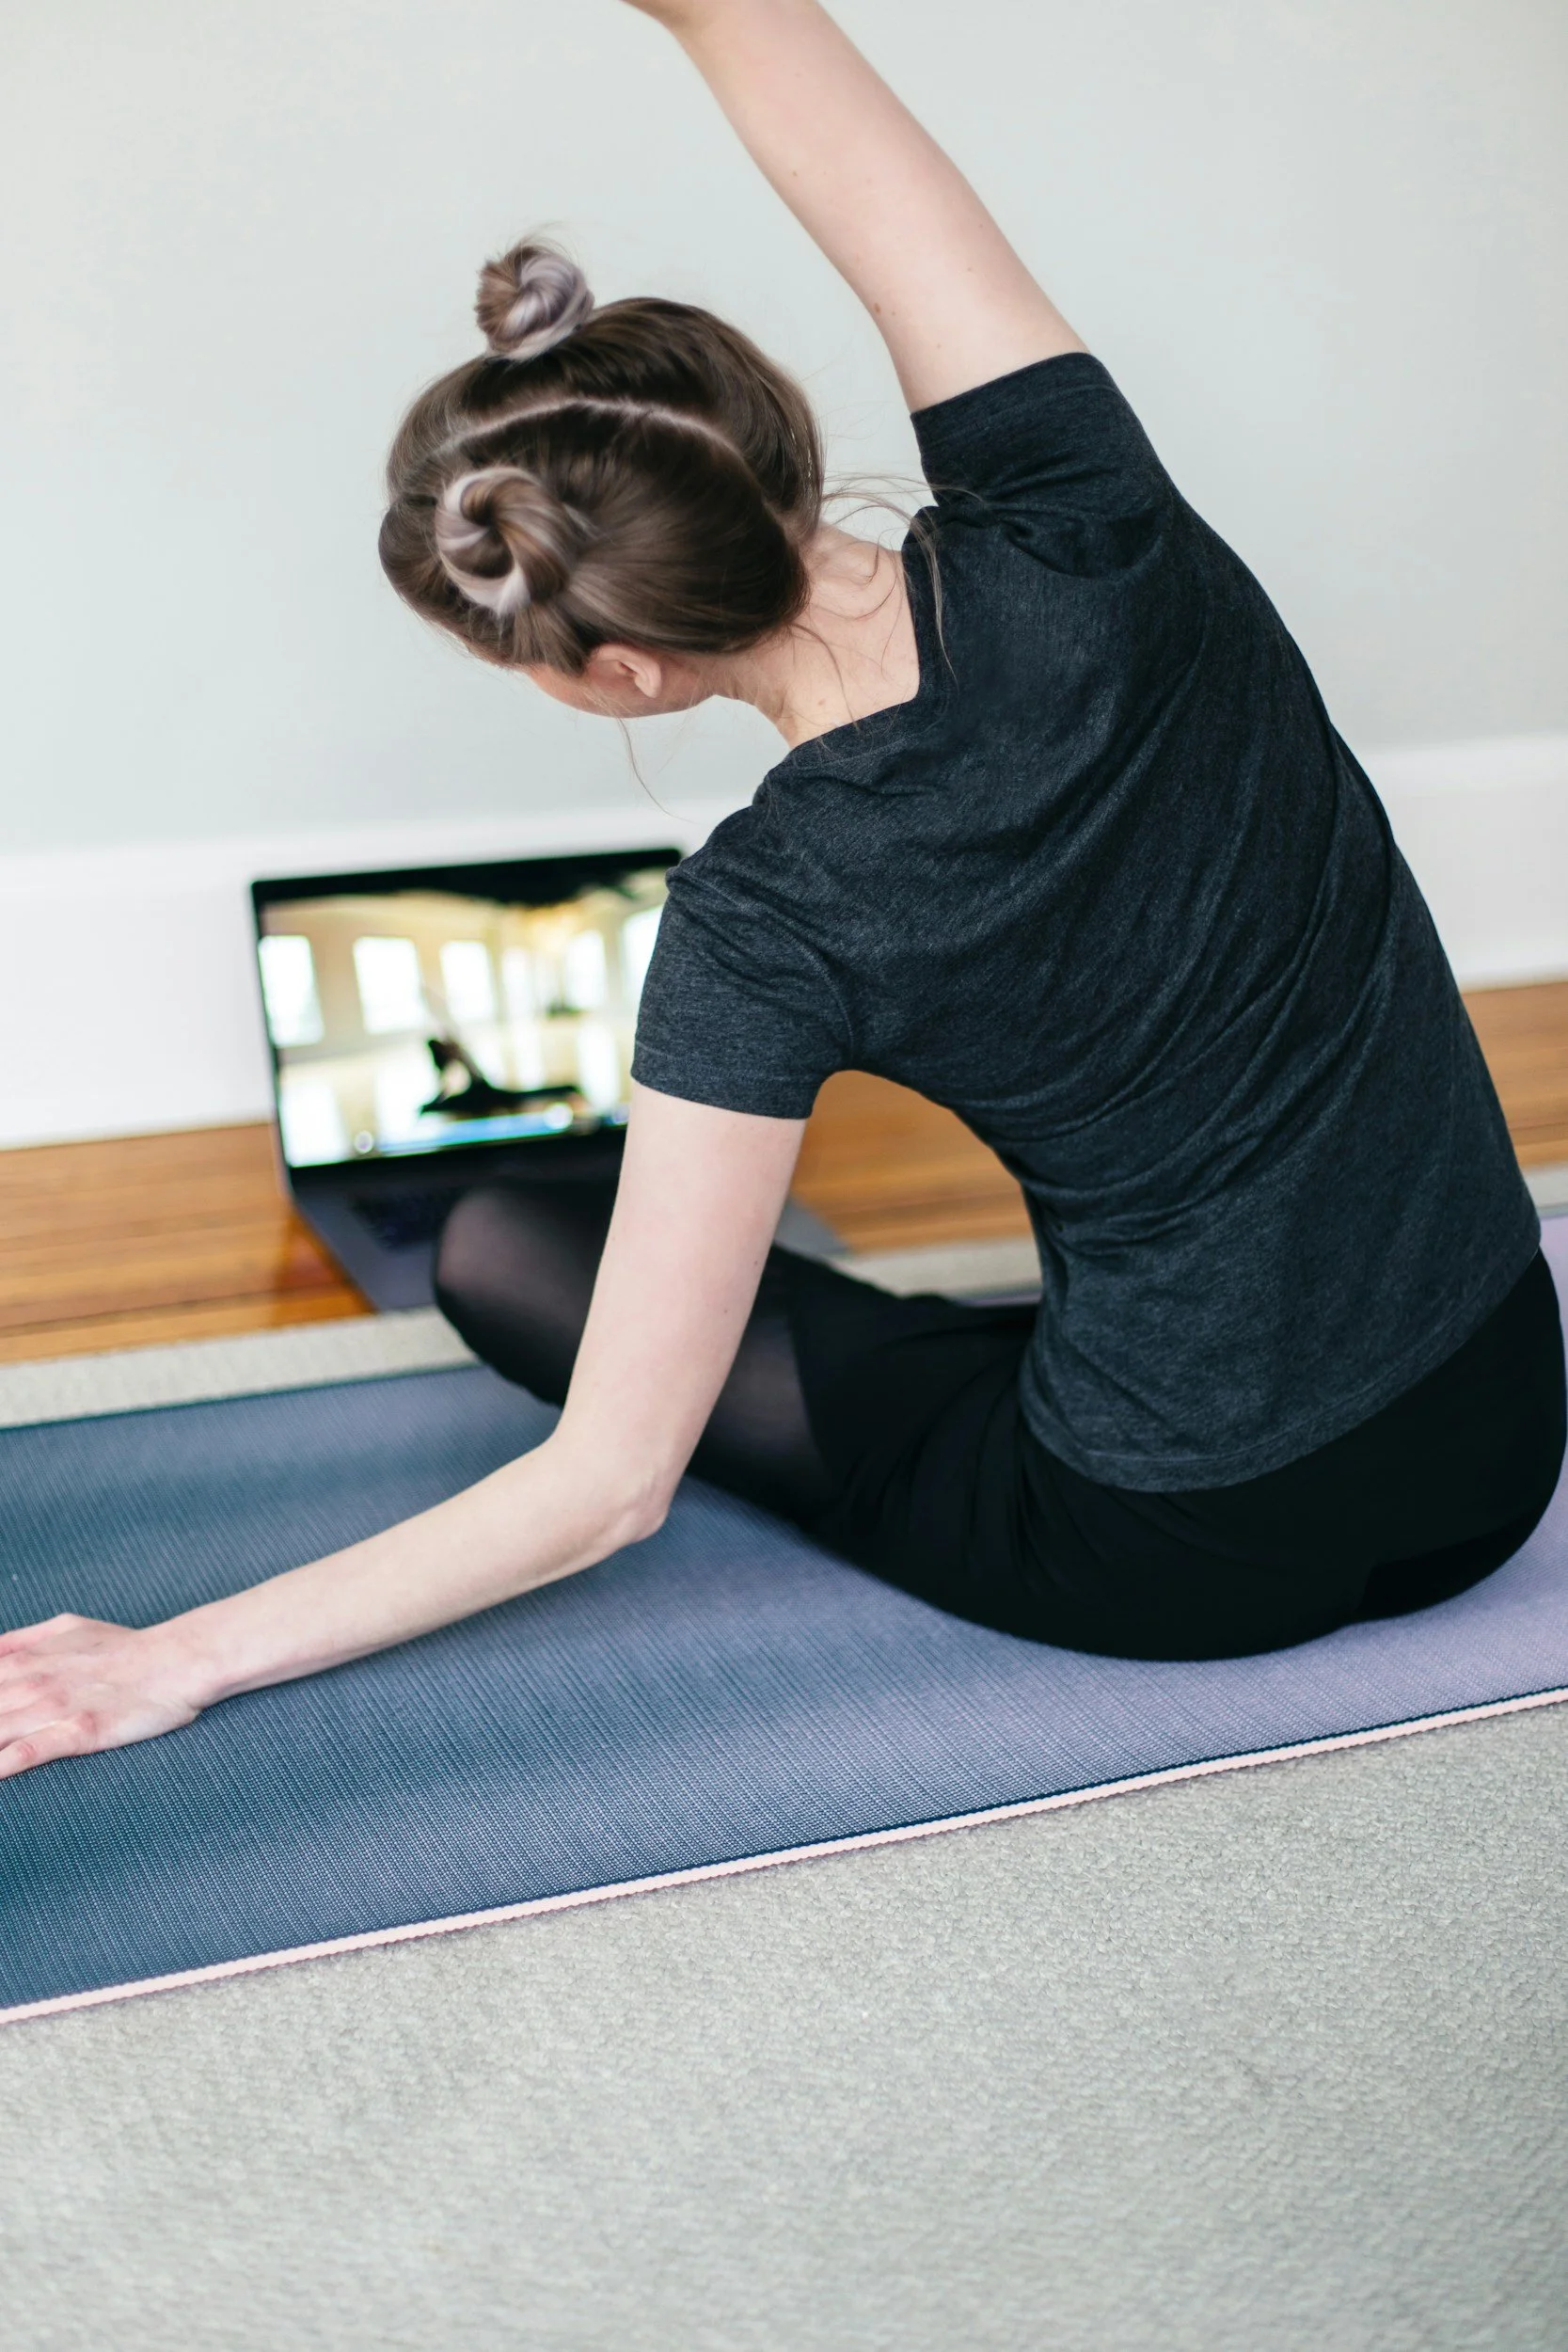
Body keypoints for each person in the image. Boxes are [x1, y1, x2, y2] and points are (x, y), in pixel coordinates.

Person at [1, 0, 1562, 1779]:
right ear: (769, 440)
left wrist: (169, 1661)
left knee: (511, 1248)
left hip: (1176, 1548)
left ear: (617, 677)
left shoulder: (767, 917)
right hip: (1502, 1435)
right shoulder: (1086, 510)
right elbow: (809, 92)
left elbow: (607, 1489)